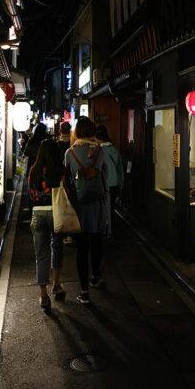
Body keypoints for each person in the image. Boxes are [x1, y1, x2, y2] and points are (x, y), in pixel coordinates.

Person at [64, 116, 109, 304]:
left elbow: (66, 179)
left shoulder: (69, 153)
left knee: (81, 248)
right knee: (97, 240)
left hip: (78, 206)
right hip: (98, 204)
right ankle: (96, 275)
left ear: (77, 132)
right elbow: (105, 176)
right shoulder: (101, 150)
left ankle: (84, 291)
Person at [28, 139, 66, 309]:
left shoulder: (33, 171)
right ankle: (56, 285)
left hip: (37, 212)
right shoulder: (59, 170)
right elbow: (67, 190)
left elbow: (30, 196)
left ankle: (43, 295)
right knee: (56, 247)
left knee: (41, 255)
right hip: (55, 211)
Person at [95, 124, 124, 234]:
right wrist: (121, 184)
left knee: (100, 208)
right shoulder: (114, 150)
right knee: (110, 208)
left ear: (98, 139)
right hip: (114, 184)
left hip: (101, 184)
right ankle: (110, 230)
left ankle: (102, 228)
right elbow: (120, 170)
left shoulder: (97, 151)